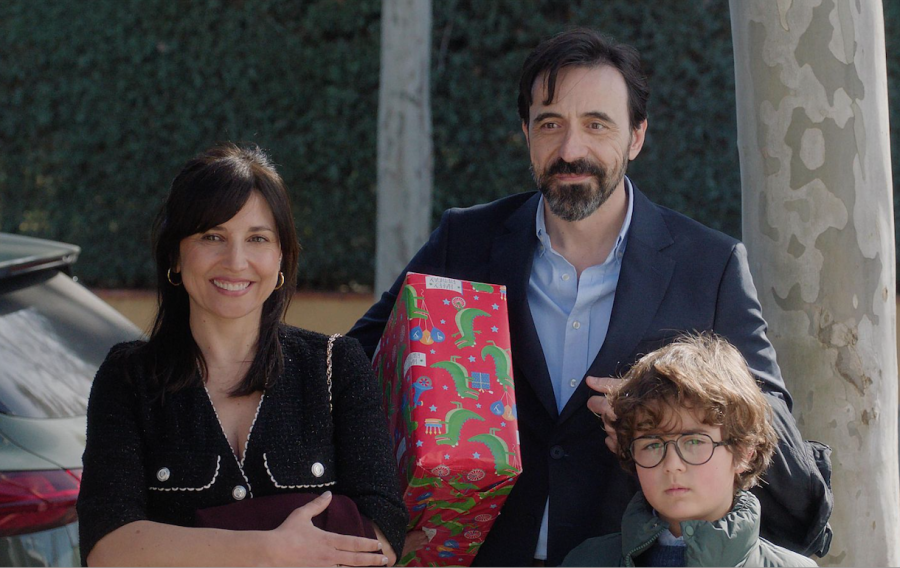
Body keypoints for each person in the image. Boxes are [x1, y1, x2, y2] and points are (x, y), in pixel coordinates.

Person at [348, 29, 831, 566]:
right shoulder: (464, 241)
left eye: (597, 125)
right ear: (526, 132)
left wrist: (665, 401)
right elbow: (350, 369)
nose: (570, 150)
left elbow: (773, 434)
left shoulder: (709, 265)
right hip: (477, 555)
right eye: (550, 124)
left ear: (636, 137)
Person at [77, 144, 407, 566]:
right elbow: (108, 548)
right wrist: (271, 550)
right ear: (175, 255)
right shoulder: (128, 377)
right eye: (212, 237)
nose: (236, 261)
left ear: (281, 257)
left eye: (257, 239)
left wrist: (177, 545)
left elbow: (382, 534)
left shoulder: (335, 366)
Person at [562, 334, 816, 567]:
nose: (672, 464)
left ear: (743, 451)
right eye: (652, 444)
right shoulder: (586, 561)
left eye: (694, 442)